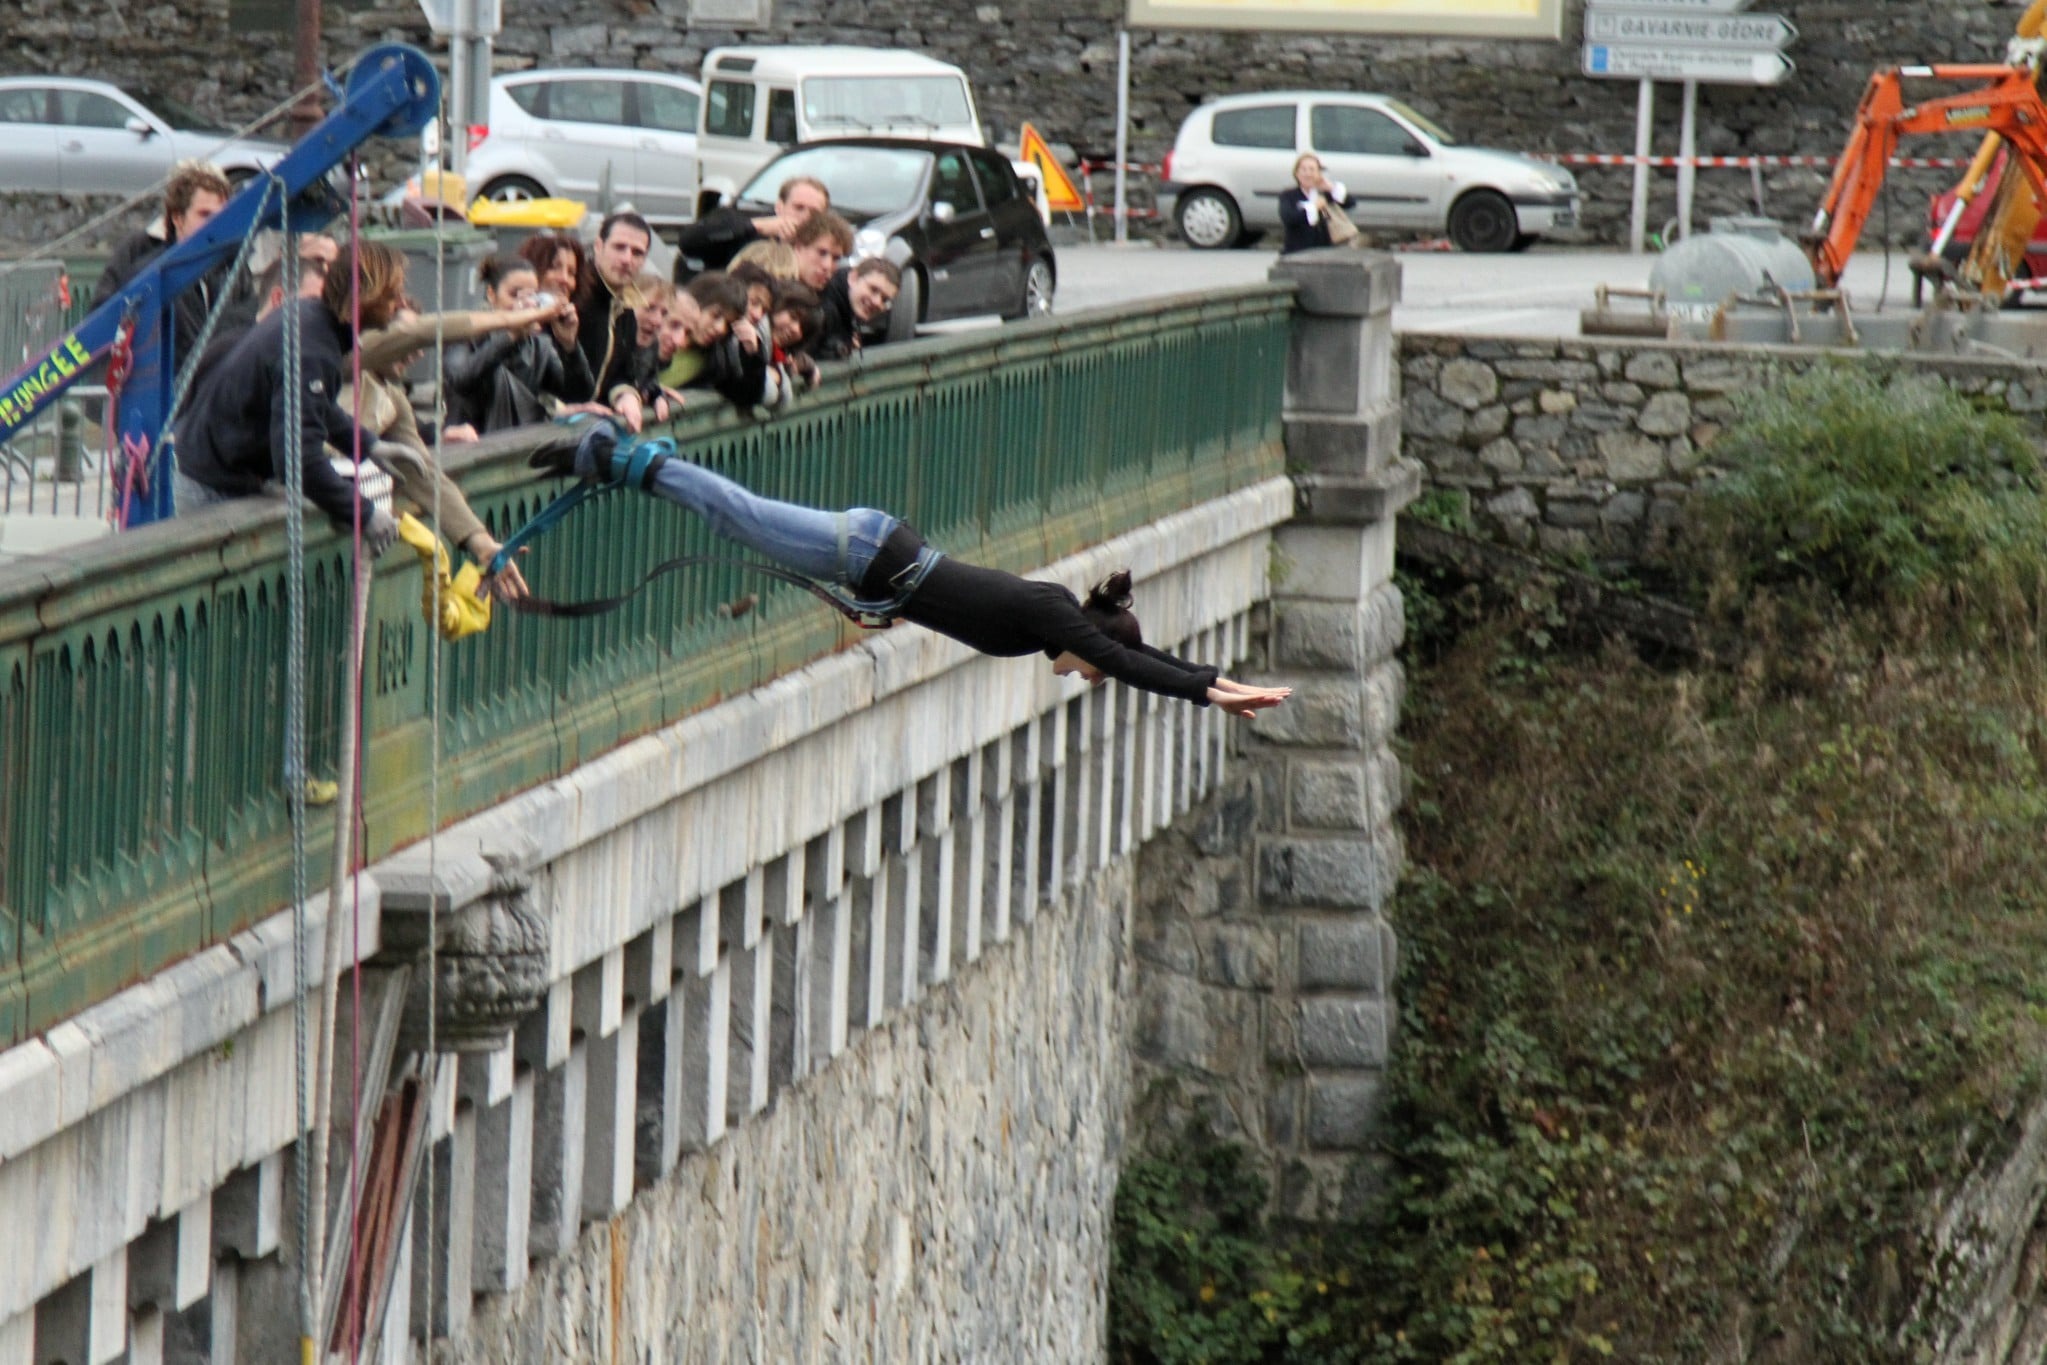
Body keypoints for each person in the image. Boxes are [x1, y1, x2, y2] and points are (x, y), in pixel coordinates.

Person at [530, 421, 1294, 716]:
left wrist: (1216, 681)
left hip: (882, 556)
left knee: (743, 518)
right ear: (1092, 639)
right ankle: (615, 454)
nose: (1084, 674)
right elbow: (1132, 663)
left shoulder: (1049, 625)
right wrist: (1208, 692)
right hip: (872, 550)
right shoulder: (1056, 620)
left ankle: (619, 457)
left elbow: (1138, 656)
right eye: (1091, 667)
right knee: (741, 516)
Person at [171, 240, 404, 555]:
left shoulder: (311, 317)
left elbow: (312, 406)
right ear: (367, 297)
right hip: (214, 486)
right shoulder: (312, 347)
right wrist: (365, 513)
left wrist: (368, 445)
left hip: (210, 466)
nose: (400, 303)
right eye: (392, 296)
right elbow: (298, 460)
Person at [341, 305, 540, 599]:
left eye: (421, 346)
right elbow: (416, 332)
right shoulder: (341, 363)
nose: (418, 353)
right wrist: (508, 320)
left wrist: (481, 541)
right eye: (411, 343)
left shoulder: (392, 398)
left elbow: (423, 473)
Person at [90, 162, 237, 368]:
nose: (214, 224)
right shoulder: (146, 260)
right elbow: (102, 320)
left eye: (220, 216)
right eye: (204, 215)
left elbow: (241, 322)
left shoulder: (230, 265)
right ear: (178, 218)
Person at [441, 253, 594, 434]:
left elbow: (578, 395)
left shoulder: (539, 345)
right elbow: (460, 380)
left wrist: (569, 345)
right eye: (514, 295)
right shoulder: (466, 334)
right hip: (468, 444)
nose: (523, 303)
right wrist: (510, 335)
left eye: (531, 296)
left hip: (519, 444)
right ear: (491, 294)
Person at [573, 211, 655, 432]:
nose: (627, 259)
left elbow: (622, 374)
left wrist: (625, 395)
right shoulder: (575, 295)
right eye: (619, 247)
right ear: (598, 246)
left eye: (637, 253)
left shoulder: (625, 307)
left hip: (593, 429)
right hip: (547, 429)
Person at [675, 175, 831, 280]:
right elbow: (688, 241)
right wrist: (756, 226)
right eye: (798, 208)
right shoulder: (742, 225)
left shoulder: (825, 251)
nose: (804, 217)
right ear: (779, 207)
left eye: (814, 212)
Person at [811, 258, 900, 361]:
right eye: (873, 289)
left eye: (885, 300)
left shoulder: (844, 311)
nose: (877, 302)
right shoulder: (824, 310)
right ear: (853, 278)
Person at [1278, 154, 1355, 255]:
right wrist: (1314, 207)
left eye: (1312, 169)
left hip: (1324, 251)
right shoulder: (1288, 195)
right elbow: (1289, 218)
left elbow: (1350, 203)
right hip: (1296, 251)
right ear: (1296, 173)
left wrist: (1331, 188)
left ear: (1319, 173)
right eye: (1304, 170)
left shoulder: (1324, 194)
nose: (1308, 174)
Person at [791, 212, 853, 294]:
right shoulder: (771, 289)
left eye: (836, 258)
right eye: (822, 253)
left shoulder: (834, 297)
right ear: (798, 248)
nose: (827, 265)